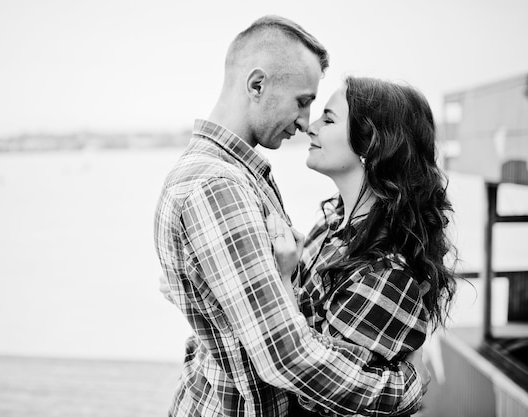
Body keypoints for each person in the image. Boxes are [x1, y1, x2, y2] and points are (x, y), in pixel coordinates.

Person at [154, 16, 429, 417]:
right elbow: (284, 356)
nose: (306, 123)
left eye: (323, 113)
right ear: (257, 85)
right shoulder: (217, 186)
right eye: (303, 101)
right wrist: (405, 391)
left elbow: (255, 333)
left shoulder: (235, 178)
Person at [268, 76, 457, 415]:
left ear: (371, 144)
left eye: (328, 119)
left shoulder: (388, 273)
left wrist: (283, 278)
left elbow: (319, 390)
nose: (309, 127)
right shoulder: (332, 223)